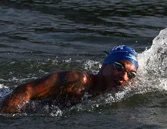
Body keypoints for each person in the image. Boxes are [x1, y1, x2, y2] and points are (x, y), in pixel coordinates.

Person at [0, 45, 139, 114]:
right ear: (104, 66)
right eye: (119, 67)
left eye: (131, 74)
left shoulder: (123, 89)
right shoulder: (78, 80)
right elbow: (26, 90)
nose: (124, 76)